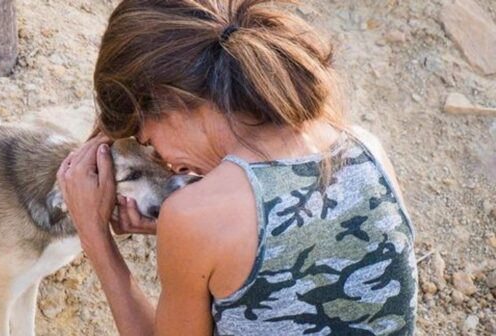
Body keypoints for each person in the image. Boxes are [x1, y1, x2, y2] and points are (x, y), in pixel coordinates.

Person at [57, 0, 417, 335]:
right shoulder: (363, 144)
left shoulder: (197, 217)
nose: (166, 162)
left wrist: (96, 238)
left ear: (169, 101)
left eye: (149, 141)